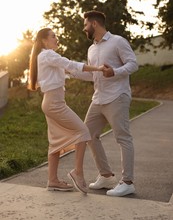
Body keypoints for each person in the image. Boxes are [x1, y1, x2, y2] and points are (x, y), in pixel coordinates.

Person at [70, 10, 138, 197]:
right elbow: (93, 75)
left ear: (93, 24)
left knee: (123, 137)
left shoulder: (118, 41)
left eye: (85, 25)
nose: (83, 29)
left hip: (117, 96)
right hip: (98, 98)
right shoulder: (92, 49)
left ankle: (128, 182)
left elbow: (133, 64)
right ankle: (106, 176)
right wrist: (71, 71)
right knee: (88, 134)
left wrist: (114, 72)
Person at [28, 28, 105, 194]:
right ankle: (78, 173)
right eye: (53, 36)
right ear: (43, 40)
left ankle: (53, 181)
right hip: (54, 103)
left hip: (51, 102)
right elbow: (71, 64)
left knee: (55, 142)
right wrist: (98, 68)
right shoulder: (48, 55)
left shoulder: (46, 57)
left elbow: (72, 71)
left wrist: (97, 74)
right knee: (83, 131)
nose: (57, 38)